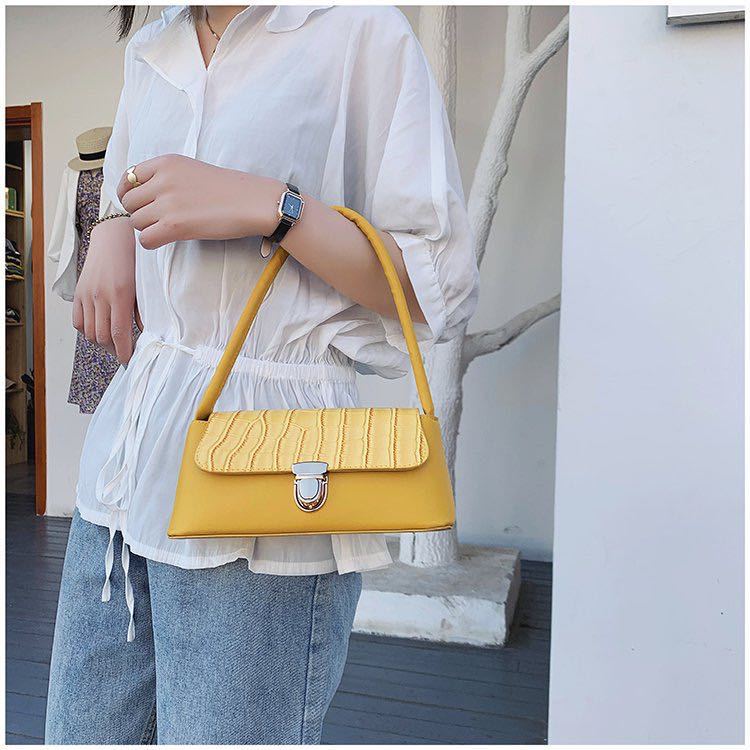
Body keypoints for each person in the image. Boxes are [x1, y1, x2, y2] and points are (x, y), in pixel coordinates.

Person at [45, 4, 478, 745]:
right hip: (122, 478)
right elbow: (129, 178)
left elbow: (436, 286)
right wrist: (113, 225)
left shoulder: (358, 30)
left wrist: (275, 208)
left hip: (269, 482)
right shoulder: (154, 44)